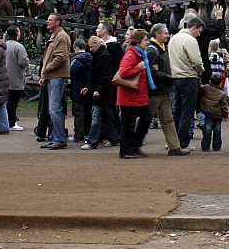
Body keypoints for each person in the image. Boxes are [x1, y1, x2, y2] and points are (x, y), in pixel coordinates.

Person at [145, 23, 189, 156]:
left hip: (164, 91)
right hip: (154, 92)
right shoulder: (153, 50)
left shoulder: (161, 48)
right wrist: (169, 77)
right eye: (165, 33)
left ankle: (174, 147)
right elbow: (151, 72)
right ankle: (133, 144)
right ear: (157, 34)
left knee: (168, 120)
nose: (168, 35)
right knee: (145, 119)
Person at [115, 29, 154, 159]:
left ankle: (133, 146)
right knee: (129, 124)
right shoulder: (132, 54)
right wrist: (139, 67)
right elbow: (124, 72)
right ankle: (127, 150)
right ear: (138, 41)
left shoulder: (138, 53)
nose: (147, 42)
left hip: (136, 96)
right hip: (130, 96)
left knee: (145, 119)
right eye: (144, 40)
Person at [169, 15, 205, 151]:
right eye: (199, 31)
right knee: (187, 112)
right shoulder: (190, 40)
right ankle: (183, 142)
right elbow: (196, 61)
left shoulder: (173, 39)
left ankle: (174, 141)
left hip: (174, 78)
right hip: (188, 78)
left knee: (176, 111)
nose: (199, 34)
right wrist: (201, 70)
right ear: (194, 28)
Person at [81, 36, 120, 150]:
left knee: (97, 116)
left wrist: (98, 89)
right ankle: (114, 138)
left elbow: (106, 75)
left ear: (97, 45)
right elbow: (95, 75)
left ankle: (92, 141)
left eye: (91, 47)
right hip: (101, 91)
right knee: (105, 117)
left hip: (102, 92)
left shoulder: (103, 56)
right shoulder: (100, 55)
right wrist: (88, 87)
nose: (90, 49)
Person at [39, 13, 71, 149]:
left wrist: (46, 69)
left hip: (57, 76)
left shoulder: (61, 36)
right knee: (53, 109)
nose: (47, 21)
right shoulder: (56, 36)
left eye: (50, 20)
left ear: (57, 22)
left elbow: (61, 56)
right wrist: (44, 74)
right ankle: (54, 138)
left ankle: (59, 139)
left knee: (54, 109)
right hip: (52, 76)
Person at [4, 26, 29, 131]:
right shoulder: (19, 47)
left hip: (3, 77)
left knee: (5, 101)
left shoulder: (3, 45)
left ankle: (4, 121)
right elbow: (23, 62)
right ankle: (11, 122)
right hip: (15, 78)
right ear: (16, 34)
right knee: (13, 102)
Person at [69, 39, 92, 143]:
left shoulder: (76, 60)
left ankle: (78, 134)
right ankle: (88, 132)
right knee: (88, 112)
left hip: (77, 89)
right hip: (88, 89)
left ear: (76, 48)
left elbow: (72, 73)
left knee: (78, 112)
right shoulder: (91, 58)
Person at [200, 72, 229, 151]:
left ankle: (205, 146)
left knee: (207, 129)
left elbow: (199, 86)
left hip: (208, 112)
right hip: (218, 114)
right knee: (217, 130)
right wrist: (225, 115)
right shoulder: (222, 93)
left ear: (210, 81)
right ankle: (216, 146)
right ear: (220, 83)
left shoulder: (205, 88)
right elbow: (224, 106)